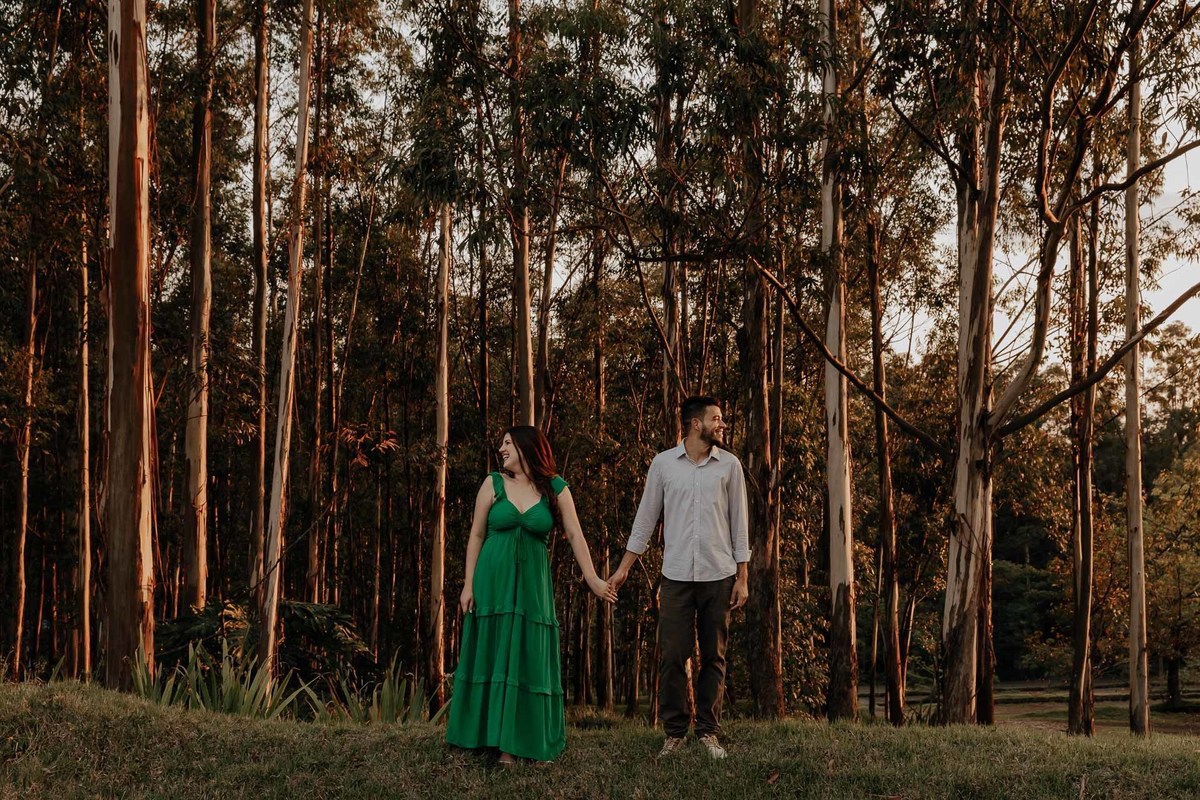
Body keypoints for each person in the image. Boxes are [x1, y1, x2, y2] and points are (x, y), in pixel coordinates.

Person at [445, 425, 615, 765]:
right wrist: (467, 584)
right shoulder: (492, 483)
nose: (502, 448)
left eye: (508, 443)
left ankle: (518, 744)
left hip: (532, 588)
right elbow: (476, 535)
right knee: (492, 653)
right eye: (501, 444)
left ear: (526, 447)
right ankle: (487, 738)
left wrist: (593, 579)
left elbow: (575, 535)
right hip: (492, 583)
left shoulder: (555, 488)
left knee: (527, 654)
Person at [609, 396, 749, 760]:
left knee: (715, 656)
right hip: (675, 577)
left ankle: (708, 732)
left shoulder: (729, 466)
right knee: (673, 655)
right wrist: (624, 568)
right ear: (694, 424)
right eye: (716, 419)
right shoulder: (663, 465)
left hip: (719, 574)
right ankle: (674, 733)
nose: (722, 425)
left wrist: (742, 576)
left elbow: (740, 525)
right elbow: (645, 519)